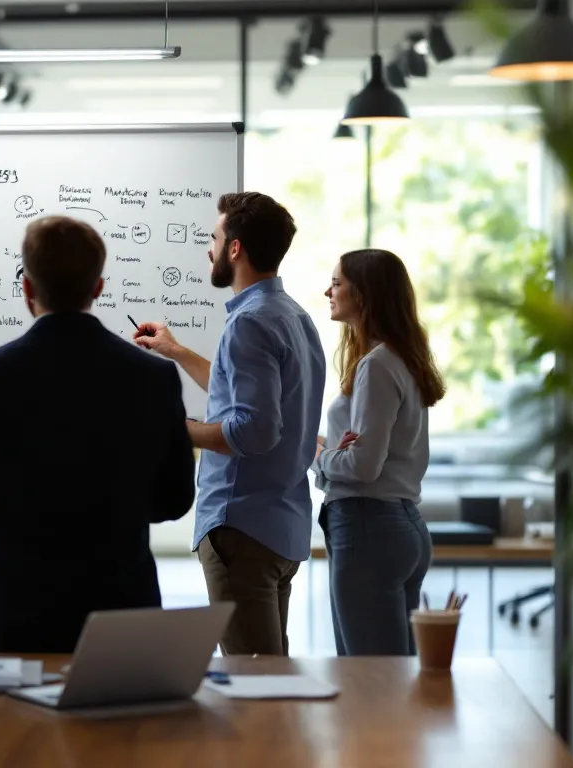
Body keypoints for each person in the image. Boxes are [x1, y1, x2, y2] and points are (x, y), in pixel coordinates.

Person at [0, 215, 195, 653]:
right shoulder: (154, 378)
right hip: (117, 612)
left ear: (28, 289)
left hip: (5, 611)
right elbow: (174, 500)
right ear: (98, 288)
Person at [134, 191, 325, 657]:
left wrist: (173, 429)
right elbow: (237, 395)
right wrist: (176, 351)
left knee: (252, 686)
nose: (209, 248)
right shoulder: (294, 318)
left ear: (235, 248)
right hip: (278, 526)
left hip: (241, 528)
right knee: (270, 674)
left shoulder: (249, 324)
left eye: (214, 238)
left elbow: (253, 431)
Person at [314, 248, 444, 656]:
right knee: (396, 679)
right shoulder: (403, 358)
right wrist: (334, 451)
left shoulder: (376, 365)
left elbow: (364, 465)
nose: (327, 291)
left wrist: (319, 456)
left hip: (368, 526)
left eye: (336, 284)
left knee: (371, 682)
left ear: (365, 294)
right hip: (401, 525)